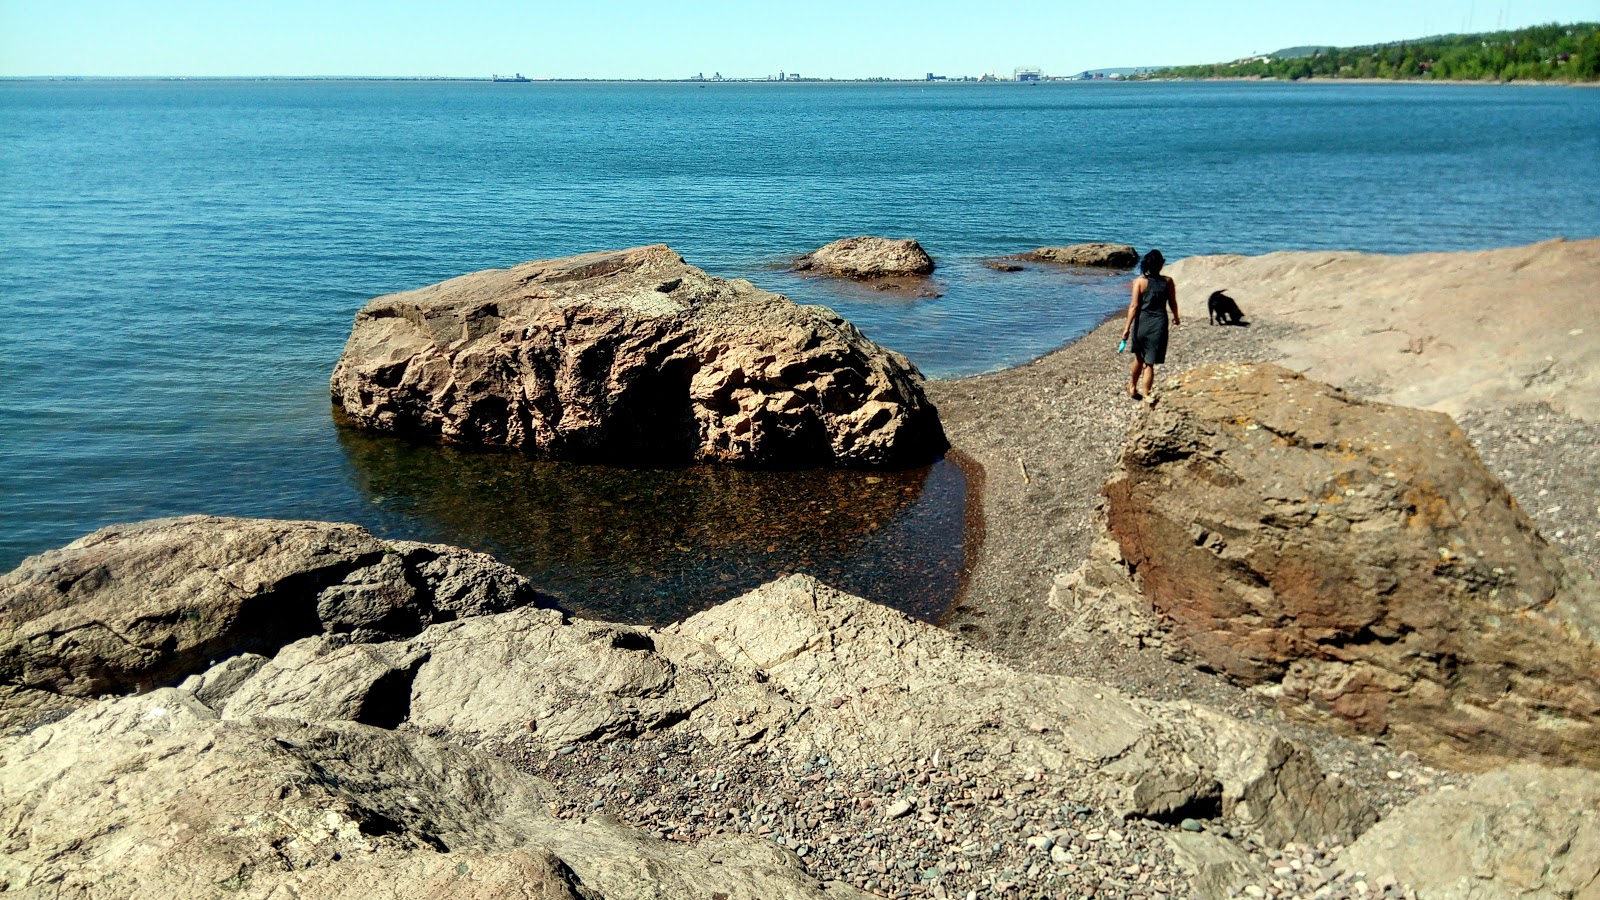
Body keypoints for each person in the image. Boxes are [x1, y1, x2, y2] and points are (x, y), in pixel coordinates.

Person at [1120, 249, 1179, 401]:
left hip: (1142, 324)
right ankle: (1146, 395)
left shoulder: (1139, 282)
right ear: (1160, 265)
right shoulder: (1167, 282)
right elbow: (1172, 302)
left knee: (1139, 358)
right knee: (1149, 364)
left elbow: (1133, 306)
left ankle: (1132, 386)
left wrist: (1126, 328)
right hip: (1158, 325)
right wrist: (1176, 317)